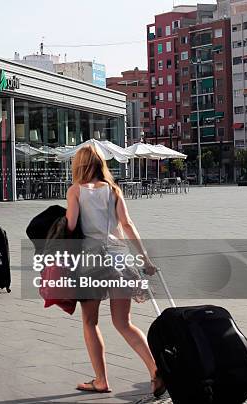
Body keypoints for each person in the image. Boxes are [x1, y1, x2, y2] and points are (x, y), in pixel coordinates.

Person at [64, 144, 165, 397]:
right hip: (119, 259)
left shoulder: (75, 191)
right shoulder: (114, 190)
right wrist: (146, 260)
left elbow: (71, 225)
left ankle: (101, 380)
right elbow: (128, 225)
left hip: (92, 262)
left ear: (79, 166)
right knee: (123, 322)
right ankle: (155, 370)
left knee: (90, 321)